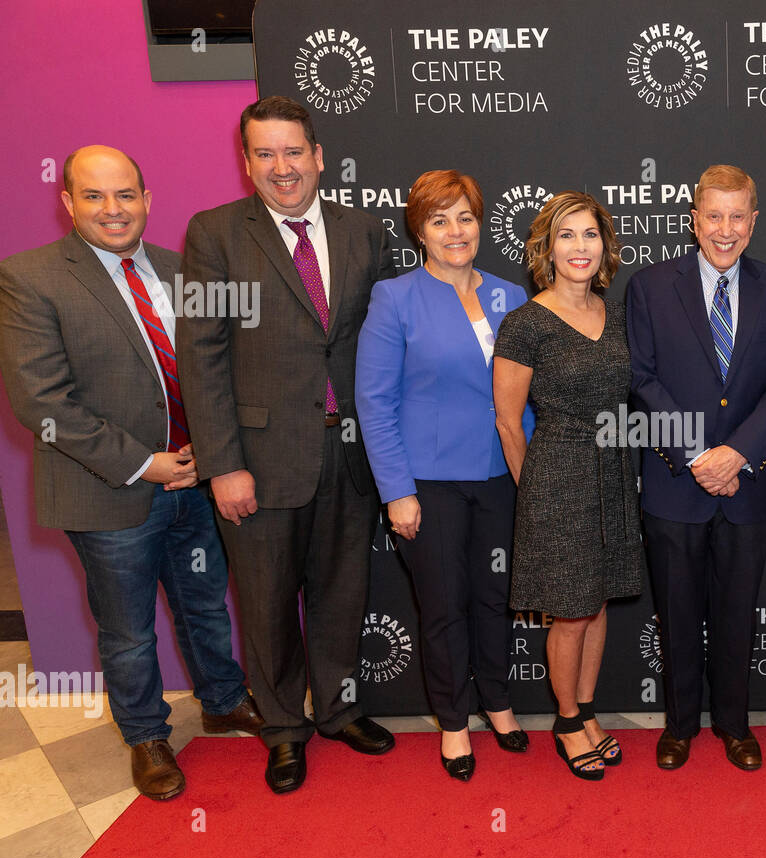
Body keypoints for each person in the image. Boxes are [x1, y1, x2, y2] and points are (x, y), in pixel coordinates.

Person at [0, 146, 262, 801]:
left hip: (194, 482)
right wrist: (146, 465)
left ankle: (224, 701)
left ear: (146, 199)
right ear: (68, 202)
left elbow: (213, 370)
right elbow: (43, 402)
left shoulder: (183, 270)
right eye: (95, 196)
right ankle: (147, 737)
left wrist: (205, 447)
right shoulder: (30, 277)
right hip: (109, 492)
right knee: (127, 629)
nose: (113, 209)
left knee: (205, 605)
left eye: (126, 195)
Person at [177, 96, 397, 795]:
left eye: (293, 151)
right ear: (246, 163)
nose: (282, 168)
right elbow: (202, 356)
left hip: (350, 452)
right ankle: (282, 729)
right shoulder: (214, 234)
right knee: (268, 604)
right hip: (259, 462)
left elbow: (386, 347)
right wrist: (223, 464)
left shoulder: (365, 232)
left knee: (341, 593)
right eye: (265, 154)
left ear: (318, 156)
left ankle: (337, 708)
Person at [356, 170, 532, 783]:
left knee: (496, 598)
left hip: (500, 478)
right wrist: (397, 493)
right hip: (428, 483)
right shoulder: (395, 298)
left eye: (465, 217)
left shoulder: (512, 295)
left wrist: (531, 474)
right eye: (440, 220)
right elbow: (375, 403)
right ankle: (454, 722)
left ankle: (500, 705)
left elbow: (527, 397)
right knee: (443, 607)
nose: (455, 231)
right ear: (420, 231)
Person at [627, 164, 766, 771]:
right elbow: (642, 379)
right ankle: (678, 727)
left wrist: (738, 453)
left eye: (737, 217)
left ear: (754, 221)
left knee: (737, 614)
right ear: (694, 219)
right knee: (675, 612)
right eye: (713, 216)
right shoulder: (648, 287)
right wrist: (699, 455)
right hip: (677, 483)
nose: (724, 230)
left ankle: (734, 724)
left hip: (747, 486)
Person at [494, 191, 641, 781]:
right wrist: (536, 494)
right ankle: (565, 719)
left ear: (605, 245)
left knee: (599, 601)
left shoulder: (620, 313)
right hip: (557, 475)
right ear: (546, 248)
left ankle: (587, 711)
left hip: (615, 472)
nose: (580, 247)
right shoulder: (525, 323)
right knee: (571, 613)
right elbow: (508, 421)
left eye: (590, 235)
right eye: (566, 235)